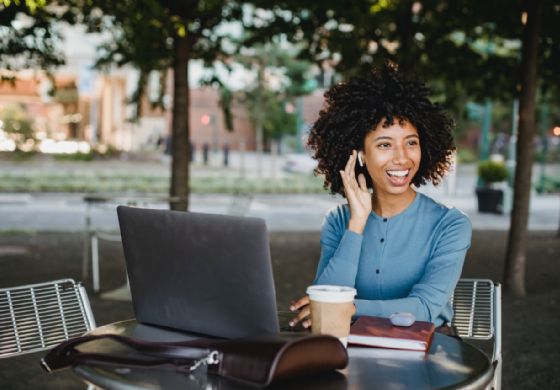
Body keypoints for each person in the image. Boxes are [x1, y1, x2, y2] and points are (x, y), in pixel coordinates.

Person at [289, 63, 472, 330]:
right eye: (385, 144)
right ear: (361, 154)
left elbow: (424, 308)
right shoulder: (339, 221)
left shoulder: (451, 225)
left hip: (428, 350)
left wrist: (349, 308)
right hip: (352, 350)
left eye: (411, 142)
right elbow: (325, 302)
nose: (402, 157)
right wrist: (357, 223)